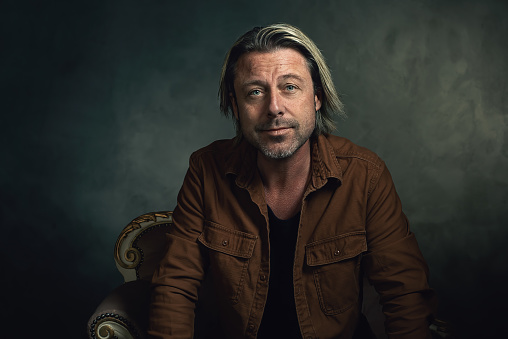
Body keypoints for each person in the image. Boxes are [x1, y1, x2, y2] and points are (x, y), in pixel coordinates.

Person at [148, 23, 436, 339]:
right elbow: (174, 284)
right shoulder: (206, 170)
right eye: (255, 92)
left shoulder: (365, 175)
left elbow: (404, 293)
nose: (273, 108)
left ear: (316, 98)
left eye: (290, 87)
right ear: (235, 106)